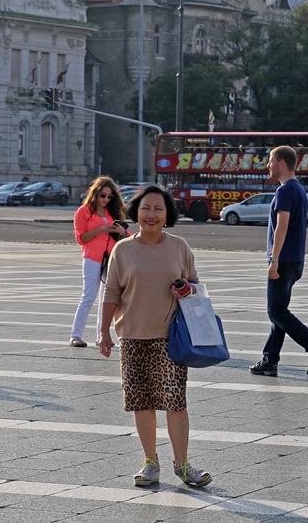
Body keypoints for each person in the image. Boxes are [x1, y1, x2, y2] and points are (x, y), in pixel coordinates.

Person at [98, 185, 211, 488]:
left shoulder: (179, 247)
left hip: (170, 337)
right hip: (133, 336)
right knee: (141, 401)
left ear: (167, 215)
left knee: (175, 401)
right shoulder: (123, 249)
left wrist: (186, 288)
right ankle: (150, 462)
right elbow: (111, 292)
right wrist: (104, 330)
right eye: (146, 208)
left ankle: (183, 465)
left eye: (158, 209)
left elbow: (196, 285)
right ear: (135, 212)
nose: (151, 214)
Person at [249, 146, 308, 379]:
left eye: (270, 160)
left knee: (275, 311)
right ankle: (269, 361)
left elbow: (282, 226)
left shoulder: (285, 191)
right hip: (295, 260)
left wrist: (274, 259)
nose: (267, 165)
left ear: (282, 163)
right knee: (279, 312)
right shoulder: (298, 189)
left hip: (283, 259)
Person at [69, 176, 128, 347]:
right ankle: (76, 335)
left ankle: (101, 336)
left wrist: (121, 232)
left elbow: (128, 237)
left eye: (110, 197)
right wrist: (100, 230)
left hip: (111, 260)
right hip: (92, 259)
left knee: (106, 299)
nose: (106, 200)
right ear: (95, 193)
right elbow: (81, 238)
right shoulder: (84, 212)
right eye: (103, 195)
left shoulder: (113, 213)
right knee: (88, 297)